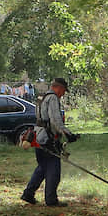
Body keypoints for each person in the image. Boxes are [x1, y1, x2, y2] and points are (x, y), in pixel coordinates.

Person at [21, 77, 79, 207]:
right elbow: (55, 120)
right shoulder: (53, 98)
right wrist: (68, 134)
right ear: (58, 87)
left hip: (39, 136)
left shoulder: (42, 97)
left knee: (42, 168)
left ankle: (28, 194)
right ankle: (51, 200)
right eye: (63, 91)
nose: (63, 94)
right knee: (53, 169)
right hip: (48, 139)